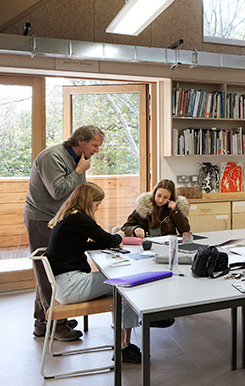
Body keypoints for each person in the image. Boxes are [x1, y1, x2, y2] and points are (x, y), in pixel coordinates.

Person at [24, 124, 105, 340]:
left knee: (49, 270)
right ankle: (57, 324)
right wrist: (79, 171)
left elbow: (78, 193)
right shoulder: (53, 157)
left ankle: (43, 322)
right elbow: (58, 190)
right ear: (81, 141)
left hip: (58, 219)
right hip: (41, 218)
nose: (97, 150)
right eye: (95, 145)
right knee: (47, 271)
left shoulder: (79, 160)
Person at [46, 182, 142, 363]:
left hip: (64, 284)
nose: (97, 209)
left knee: (121, 283)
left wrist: (110, 242)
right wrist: (119, 236)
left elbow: (84, 244)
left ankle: (124, 344)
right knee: (125, 283)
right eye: (97, 204)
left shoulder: (67, 217)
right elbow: (108, 238)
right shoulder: (79, 218)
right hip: (71, 286)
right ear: (88, 201)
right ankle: (124, 347)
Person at [121, 179, 190, 238]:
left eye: (165, 197)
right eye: (159, 195)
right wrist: (135, 229)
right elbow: (124, 228)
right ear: (154, 193)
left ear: (170, 198)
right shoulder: (144, 206)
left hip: (168, 246)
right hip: (148, 246)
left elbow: (185, 231)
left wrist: (175, 210)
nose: (160, 200)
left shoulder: (175, 208)